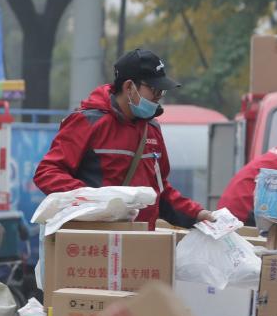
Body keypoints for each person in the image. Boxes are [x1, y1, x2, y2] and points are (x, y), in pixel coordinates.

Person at [33, 49, 214, 228]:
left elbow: (160, 192)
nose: (158, 98)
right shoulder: (87, 122)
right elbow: (47, 173)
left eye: (162, 92)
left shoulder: (152, 129)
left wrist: (197, 213)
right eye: (154, 90)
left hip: (140, 244)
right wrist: (93, 199)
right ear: (129, 87)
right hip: (95, 241)